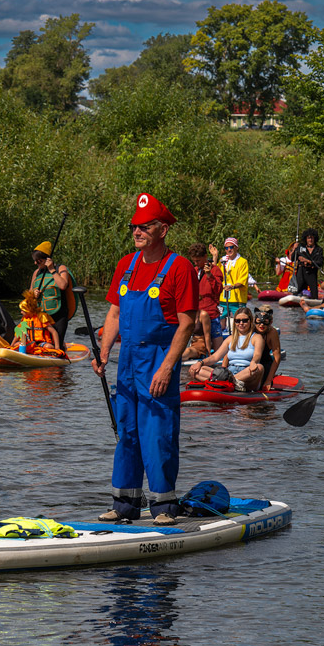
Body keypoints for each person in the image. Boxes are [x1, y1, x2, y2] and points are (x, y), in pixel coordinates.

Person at [94, 193, 197, 525]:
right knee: (127, 432)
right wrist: (104, 352)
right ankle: (124, 504)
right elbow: (113, 313)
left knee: (157, 433)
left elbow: (187, 323)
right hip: (126, 364)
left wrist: (168, 366)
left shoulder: (179, 267)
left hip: (157, 361)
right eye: (134, 226)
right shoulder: (126, 264)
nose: (137, 231)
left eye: (144, 226)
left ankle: (164, 506)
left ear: (162, 229)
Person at [188, 306, 265, 392]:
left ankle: (223, 382)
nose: (241, 323)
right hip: (229, 372)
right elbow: (215, 357)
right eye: (238, 321)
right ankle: (230, 383)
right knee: (196, 370)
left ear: (250, 321)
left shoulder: (257, 337)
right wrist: (200, 363)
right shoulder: (230, 339)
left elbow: (257, 355)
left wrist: (253, 362)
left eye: (244, 320)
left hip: (246, 373)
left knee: (259, 367)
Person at [184, 242, 224, 359]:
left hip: (211, 315)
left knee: (218, 353)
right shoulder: (194, 270)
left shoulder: (215, 270)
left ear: (205, 257)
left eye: (198, 261)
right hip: (197, 315)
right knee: (196, 344)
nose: (196, 263)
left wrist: (209, 275)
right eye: (194, 261)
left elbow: (218, 289)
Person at [30, 241, 72, 347]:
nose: (36, 263)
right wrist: (33, 294)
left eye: (38, 261)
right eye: (35, 261)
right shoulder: (36, 273)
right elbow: (29, 292)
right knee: (44, 342)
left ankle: (61, 348)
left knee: (56, 340)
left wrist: (52, 269)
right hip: (43, 315)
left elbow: (63, 285)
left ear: (47, 260)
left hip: (59, 315)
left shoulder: (60, 268)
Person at [210, 237, 249, 328]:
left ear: (236, 247)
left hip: (237, 300)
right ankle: (220, 336)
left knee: (241, 321)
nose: (229, 250)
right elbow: (214, 272)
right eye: (226, 248)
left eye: (231, 247)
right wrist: (215, 256)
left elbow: (242, 280)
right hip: (223, 300)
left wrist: (232, 287)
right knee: (218, 319)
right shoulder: (222, 261)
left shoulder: (243, 262)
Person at [14, 289, 63, 353]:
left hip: (41, 343)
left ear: (29, 310)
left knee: (48, 347)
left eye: (23, 310)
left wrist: (57, 348)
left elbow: (54, 332)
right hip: (30, 343)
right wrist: (11, 346)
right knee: (17, 345)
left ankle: (44, 352)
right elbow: (18, 334)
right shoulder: (24, 319)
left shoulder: (41, 317)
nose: (21, 312)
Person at [252, 305, 282, 389]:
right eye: (259, 321)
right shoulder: (250, 329)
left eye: (265, 322)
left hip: (264, 365)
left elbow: (277, 357)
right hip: (249, 364)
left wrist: (268, 380)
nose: (261, 325)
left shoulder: (272, 333)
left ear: (270, 322)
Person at [293, 229, 323, 298]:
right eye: (308, 238)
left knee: (314, 294)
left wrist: (308, 261)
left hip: (312, 273)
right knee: (297, 290)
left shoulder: (318, 249)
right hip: (301, 272)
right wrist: (294, 249)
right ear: (306, 239)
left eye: (312, 238)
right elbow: (292, 259)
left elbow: (320, 263)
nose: (310, 240)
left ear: (314, 238)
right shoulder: (300, 247)